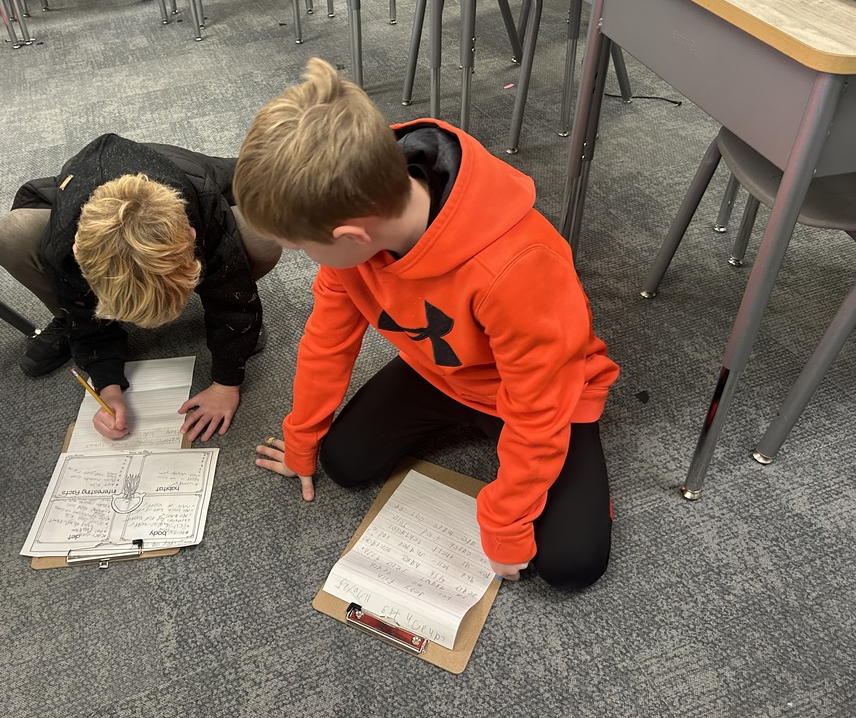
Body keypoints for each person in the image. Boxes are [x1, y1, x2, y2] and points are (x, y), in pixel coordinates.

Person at [233, 58, 619, 589]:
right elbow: (326, 341)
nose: (300, 256)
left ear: (351, 235)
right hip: (441, 370)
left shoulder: (518, 266)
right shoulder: (358, 225)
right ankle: (466, 427)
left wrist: (505, 521)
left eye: (301, 247)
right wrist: (302, 435)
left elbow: (538, 405)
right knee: (343, 463)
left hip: (540, 392)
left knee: (569, 565)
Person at [0, 133, 281, 442]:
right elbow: (81, 305)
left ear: (193, 237)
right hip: (78, 201)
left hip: (191, 182)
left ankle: (236, 329)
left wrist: (226, 384)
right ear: (78, 252)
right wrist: (108, 385)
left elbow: (232, 298)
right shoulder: (66, 239)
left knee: (261, 237)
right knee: (14, 235)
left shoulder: (204, 202)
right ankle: (65, 320)